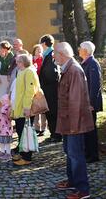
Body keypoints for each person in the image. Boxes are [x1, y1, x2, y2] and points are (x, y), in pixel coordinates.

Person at [54, 42, 94, 199]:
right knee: (69, 153)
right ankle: (72, 181)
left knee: (76, 155)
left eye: (55, 54)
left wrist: (73, 127)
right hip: (68, 122)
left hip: (74, 124)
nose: (53, 56)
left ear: (62, 54)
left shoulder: (74, 70)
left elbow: (76, 101)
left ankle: (83, 190)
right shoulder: (68, 68)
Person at [12, 54, 40, 166]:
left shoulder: (29, 71)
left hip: (25, 108)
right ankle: (22, 152)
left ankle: (27, 157)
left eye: (18, 61)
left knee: (25, 132)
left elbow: (30, 90)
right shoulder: (21, 71)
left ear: (24, 62)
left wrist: (27, 107)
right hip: (19, 107)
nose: (16, 63)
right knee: (20, 131)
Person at [79, 41, 103, 163]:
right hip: (85, 103)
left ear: (86, 51)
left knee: (91, 130)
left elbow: (95, 86)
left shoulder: (92, 63)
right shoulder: (85, 63)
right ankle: (88, 153)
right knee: (87, 129)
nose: (78, 49)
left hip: (90, 104)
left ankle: (93, 155)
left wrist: (91, 104)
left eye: (80, 48)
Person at [39, 34, 61, 143]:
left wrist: (42, 79)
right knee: (50, 113)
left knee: (53, 112)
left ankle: (56, 135)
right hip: (48, 88)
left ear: (43, 44)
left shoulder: (51, 55)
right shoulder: (48, 54)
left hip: (51, 89)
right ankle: (53, 133)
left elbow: (51, 73)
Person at [0, 41, 14, 109]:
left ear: (5, 48)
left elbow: (7, 68)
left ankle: (5, 113)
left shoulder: (11, 56)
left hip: (6, 79)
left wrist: (3, 58)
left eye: (1, 48)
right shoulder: (0, 56)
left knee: (4, 97)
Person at [32, 44, 46, 136]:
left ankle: (43, 127)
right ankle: (37, 127)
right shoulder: (31, 60)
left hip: (43, 84)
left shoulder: (44, 59)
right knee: (36, 106)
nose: (39, 51)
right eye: (38, 49)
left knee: (43, 107)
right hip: (34, 85)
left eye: (41, 49)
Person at [0, 94, 13, 162]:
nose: (2, 101)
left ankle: (8, 153)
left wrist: (3, 111)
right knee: (2, 141)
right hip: (1, 128)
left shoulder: (8, 107)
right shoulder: (2, 107)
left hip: (6, 128)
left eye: (3, 100)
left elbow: (9, 116)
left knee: (7, 142)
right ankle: (2, 151)